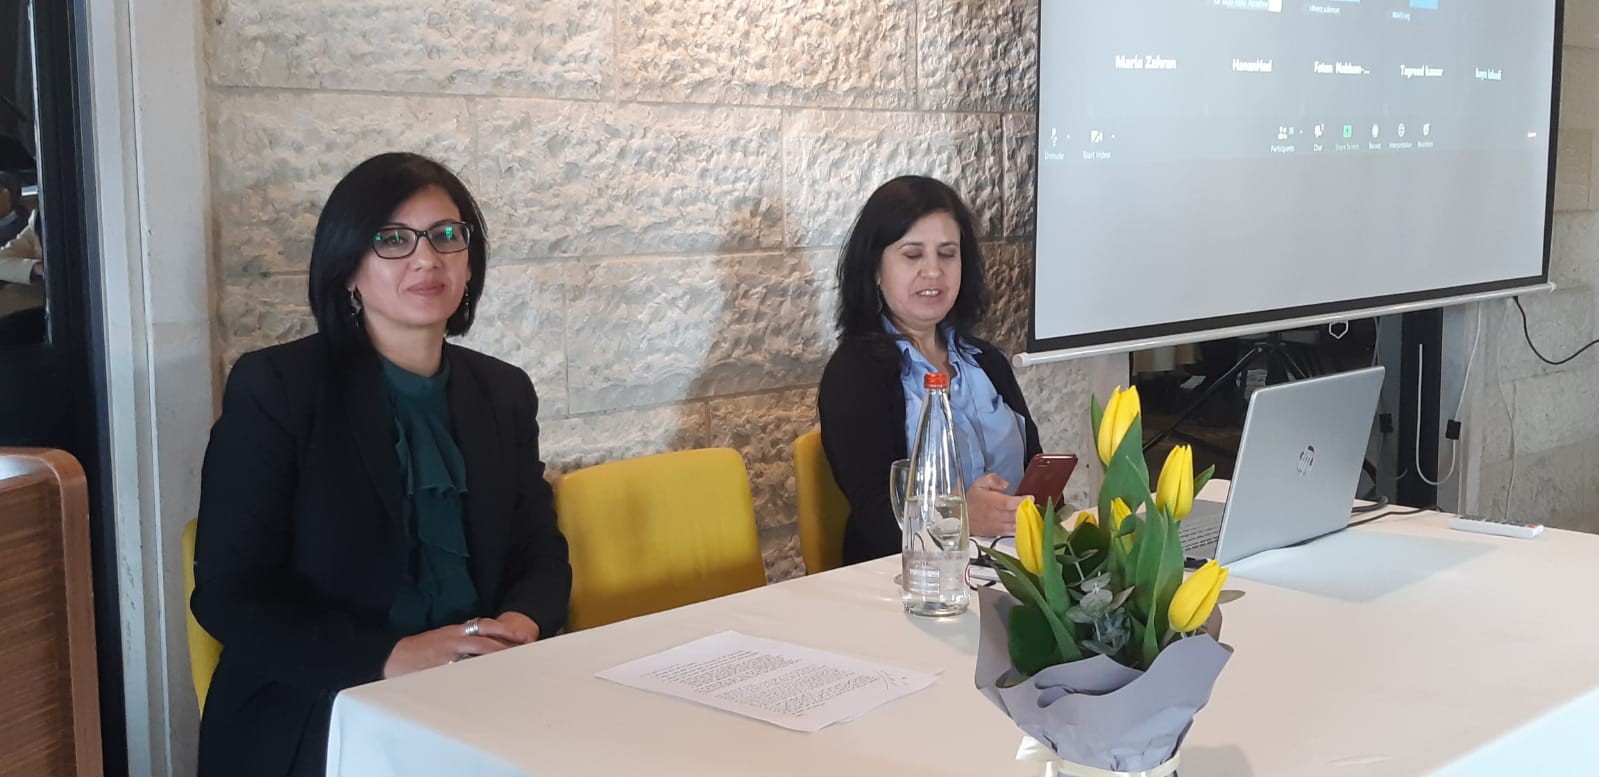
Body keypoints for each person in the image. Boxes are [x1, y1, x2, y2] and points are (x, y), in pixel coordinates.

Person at [192, 152, 572, 776]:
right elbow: (231, 596)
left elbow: (540, 551)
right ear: (347, 268)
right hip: (325, 700)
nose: (427, 259)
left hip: (483, 689)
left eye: (446, 235)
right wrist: (390, 656)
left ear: (469, 260)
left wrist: (517, 625)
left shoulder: (504, 391)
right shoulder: (277, 388)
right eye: (393, 240)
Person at [817, 175, 1043, 565]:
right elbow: (876, 518)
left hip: (1014, 566)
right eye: (912, 255)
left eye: (947, 254)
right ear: (875, 268)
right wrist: (962, 518)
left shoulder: (986, 361)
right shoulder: (853, 375)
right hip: (910, 577)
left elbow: (1034, 468)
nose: (934, 272)